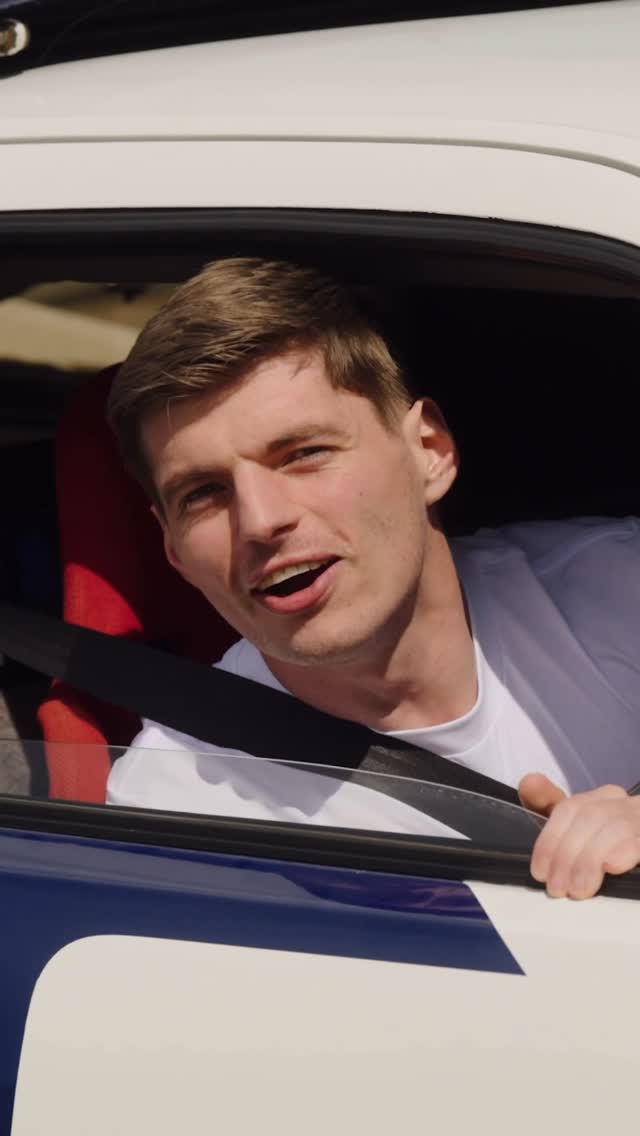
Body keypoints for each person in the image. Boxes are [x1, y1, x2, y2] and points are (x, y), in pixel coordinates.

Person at [106, 257, 640, 900]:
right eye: (203, 493)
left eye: (305, 454)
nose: (261, 521)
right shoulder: (174, 800)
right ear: (171, 546)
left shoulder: (620, 585)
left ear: (429, 452)